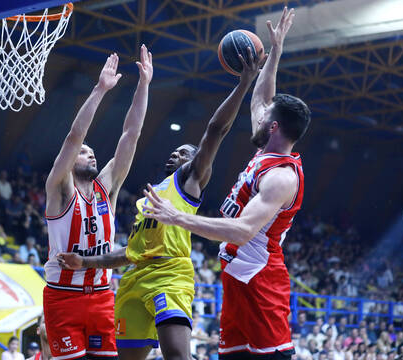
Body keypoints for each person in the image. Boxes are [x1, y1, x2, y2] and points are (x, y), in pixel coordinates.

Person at [58, 47, 263, 359]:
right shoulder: (148, 200)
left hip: (169, 275)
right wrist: (84, 262)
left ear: (198, 163)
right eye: (175, 152)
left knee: (176, 356)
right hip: (133, 279)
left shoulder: (190, 181)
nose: (176, 155)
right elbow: (129, 254)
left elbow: (215, 131)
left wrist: (243, 84)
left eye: (184, 152)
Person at [138, 8, 311, 360]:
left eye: (266, 117)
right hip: (236, 278)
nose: (258, 114)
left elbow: (242, 230)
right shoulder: (268, 148)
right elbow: (263, 98)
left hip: (260, 280)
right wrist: (274, 53)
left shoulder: (281, 177)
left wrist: (178, 217)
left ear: (274, 127)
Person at [43, 45, 153, 360]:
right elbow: (73, 137)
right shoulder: (60, 188)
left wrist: (143, 86)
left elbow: (131, 134)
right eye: (84, 152)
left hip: (103, 296)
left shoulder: (107, 186)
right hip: (64, 297)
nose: (89, 154)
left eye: (92, 152)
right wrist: (100, 89)